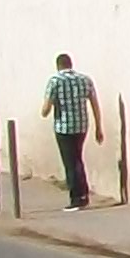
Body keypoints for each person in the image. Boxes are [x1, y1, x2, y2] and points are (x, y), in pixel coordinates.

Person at [41, 52, 100, 210]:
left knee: (70, 162)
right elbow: (94, 103)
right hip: (81, 126)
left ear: (58, 65)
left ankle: (77, 197)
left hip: (64, 127)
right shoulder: (85, 80)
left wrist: (47, 110)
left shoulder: (55, 81)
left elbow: (45, 109)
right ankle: (84, 192)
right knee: (78, 159)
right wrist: (99, 127)